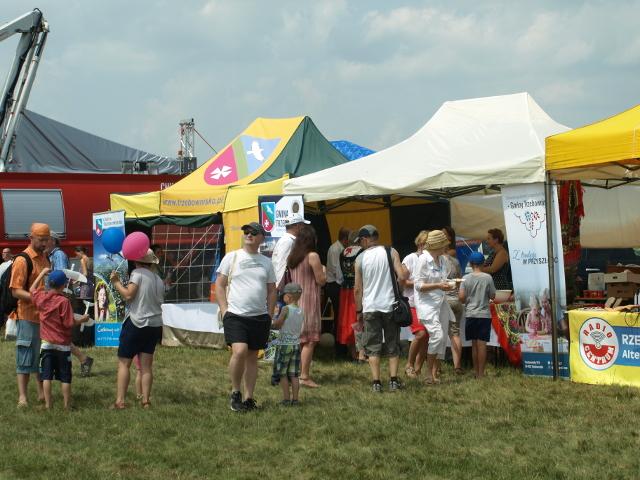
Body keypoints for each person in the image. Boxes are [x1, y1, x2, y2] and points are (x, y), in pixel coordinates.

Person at [216, 222, 277, 412]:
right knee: (240, 351)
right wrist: (224, 310)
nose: (249, 234)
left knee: (252, 357)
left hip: (259, 316)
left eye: (253, 232)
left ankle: (249, 398)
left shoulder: (266, 262)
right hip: (235, 315)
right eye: (246, 232)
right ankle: (236, 393)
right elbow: (220, 285)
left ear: (262, 238)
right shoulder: (231, 257)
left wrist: (269, 314)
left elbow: (272, 290)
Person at [110, 247, 164, 409]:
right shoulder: (158, 279)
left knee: (124, 363)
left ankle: (120, 401)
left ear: (136, 261)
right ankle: (146, 401)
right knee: (146, 366)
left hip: (136, 322)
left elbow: (128, 295)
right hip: (154, 324)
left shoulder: (137, 273)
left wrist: (116, 282)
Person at [354, 224, 406, 393]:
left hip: (370, 307)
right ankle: (393, 381)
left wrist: (358, 311)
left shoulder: (360, 259)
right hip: (390, 305)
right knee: (392, 343)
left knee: (372, 346)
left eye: (360, 242)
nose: (360, 245)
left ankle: (376, 382)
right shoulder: (391, 251)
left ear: (364, 239)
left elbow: (357, 289)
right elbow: (402, 276)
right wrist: (400, 293)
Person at [29, 268, 90, 409]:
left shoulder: (41, 297)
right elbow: (69, 323)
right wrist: (83, 319)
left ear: (49, 283)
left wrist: (41, 274)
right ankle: (67, 405)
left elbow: (32, 289)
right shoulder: (64, 302)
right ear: (63, 285)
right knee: (65, 377)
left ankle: (48, 405)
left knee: (46, 376)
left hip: (46, 345)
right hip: (63, 346)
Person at [10, 223, 51, 408]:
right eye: (41, 240)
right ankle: (23, 397)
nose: (44, 243)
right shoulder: (22, 260)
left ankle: (42, 393)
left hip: (44, 316)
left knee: (41, 356)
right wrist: (38, 299)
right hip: (27, 315)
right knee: (25, 356)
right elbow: (16, 291)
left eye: (46, 240)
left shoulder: (45, 258)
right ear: (31, 238)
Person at [414, 230, 456, 385]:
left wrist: (449, 285)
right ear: (438, 245)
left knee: (442, 339)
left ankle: (434, 373)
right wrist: (438, 285)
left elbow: (443, 279)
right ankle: (428, 373)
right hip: (427, 305)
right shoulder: (423, 260)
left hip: (442, 302)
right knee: (437, 336)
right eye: (444, 244)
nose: (446, 247)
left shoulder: (443, 259)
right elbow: (418, 286)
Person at [287, 224, 326, 388]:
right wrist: (324, 270)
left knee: (298, 340)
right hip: (309, 302)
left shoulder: (292, 258)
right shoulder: (312, 256)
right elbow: (321, 280)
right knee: (310, 341)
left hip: (295, 302)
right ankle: (304, 376)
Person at [459, 251, 496, 378]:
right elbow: (493, 295)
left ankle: (476, 371)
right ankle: (481, 373)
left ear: (470, 263)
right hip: (484, 314)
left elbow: (461, 297)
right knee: (482, 345)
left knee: (474, 345)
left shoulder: (465, 278)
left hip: (470, 314)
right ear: (483, 263)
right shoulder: (488, 277)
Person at [271, 282, 304, 406]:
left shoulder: (286, 309)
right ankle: (295, 400)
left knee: (283, 374)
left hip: (285, 346)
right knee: (294, 375)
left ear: (288, 296)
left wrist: (272, 320)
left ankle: (286, 399)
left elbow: (278, 325)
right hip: (296, 345)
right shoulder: (301, 310)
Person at [401, 230, 429, 379]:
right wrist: (420, 283)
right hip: (412, 303)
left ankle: (417, 370)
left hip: (427, 303)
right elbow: (403, 281)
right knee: (420, 334)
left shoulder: (431, 260)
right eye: (427, 244)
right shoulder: (410, 258)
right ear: (420, 243)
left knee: (427, 337)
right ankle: (409, 365)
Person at [336, 232, 365, 361]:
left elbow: (339, 276)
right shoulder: (362, 252)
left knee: (347, 320)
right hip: (359, 289)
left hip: (345, 291)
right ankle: (361, 354)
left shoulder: (342, 252)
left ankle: (352, 353)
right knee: (359, 319)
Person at [442, 226, 464, 374]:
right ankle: (457, 366)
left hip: (444, 301)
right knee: (455, 334)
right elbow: (460, 281)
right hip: (456, 300)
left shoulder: (438, 262)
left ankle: (436, 368)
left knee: (440, 334)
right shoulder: (455, 261)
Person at [271, 213, 310, 287]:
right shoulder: (288, 241)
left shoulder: (289, 240)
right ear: (297, 225)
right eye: (302, 225)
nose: (304, 227)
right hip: (284, 285)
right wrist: (278, 285)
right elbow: (281, 263)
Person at [325, 227, 350, 342]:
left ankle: (341, 340)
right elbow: (337, 270)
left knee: (342, 314)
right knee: (339, 314)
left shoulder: (340, 248)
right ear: (345, 238)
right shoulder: (336, 249)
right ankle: (338, 342)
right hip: (335, 285)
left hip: (338, 284)